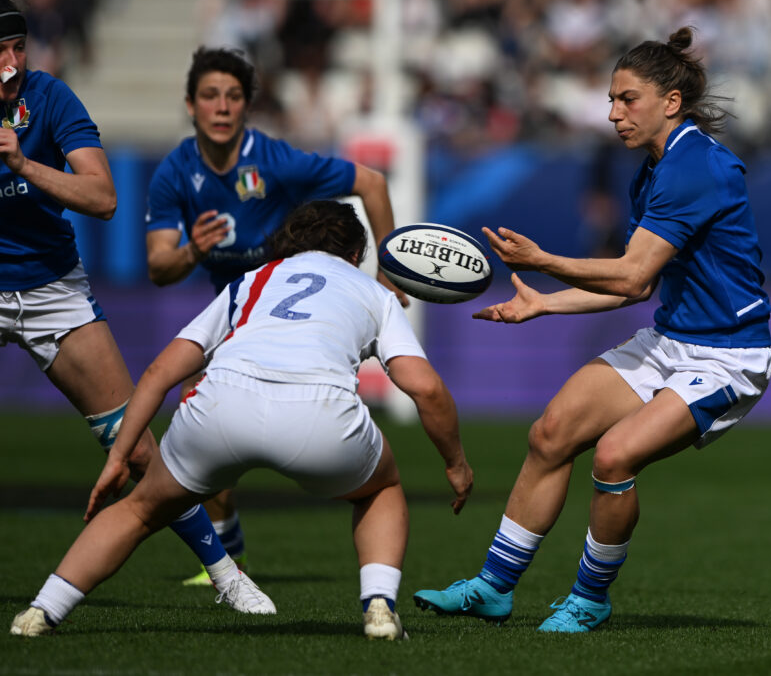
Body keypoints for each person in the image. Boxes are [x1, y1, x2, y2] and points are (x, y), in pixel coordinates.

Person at [413, 27, 771, 633]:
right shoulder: (654, 169)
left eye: (626, 99)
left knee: (613, 456)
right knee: (551, 432)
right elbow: (643, 285)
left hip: (727, 358)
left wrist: (546, 261)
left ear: (671, 102)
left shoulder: (695, 169)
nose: (612, 114)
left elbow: (632, 279)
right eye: (610, 100)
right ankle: (493, 588)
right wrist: (545, 304)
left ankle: (589, 598)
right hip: (670, 340)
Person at [10, 200, 473, 639]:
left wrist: (119, 457)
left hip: (222, 404)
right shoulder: (375, 292)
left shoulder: (252, 280)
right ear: (356, 254)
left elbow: (158, 375)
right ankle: (378, 605)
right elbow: (425, 388)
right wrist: (455, 463)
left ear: (287, 243)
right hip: (320, 417)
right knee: (381, 490)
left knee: (139, 509)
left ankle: (42, 610)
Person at [0, 0, 272, 615]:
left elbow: (102, 197)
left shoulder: (49, 98)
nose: (13, 63)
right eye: (1, 52)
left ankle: (227, 575)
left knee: (138, 446)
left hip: (49, 290)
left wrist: (22, 162)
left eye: (19, 47)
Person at [144, 46, 410, 586]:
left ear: (246, 106)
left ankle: (232, 548)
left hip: (288, 318)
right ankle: (229, 553)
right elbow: (159, 267)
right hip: (231, 312)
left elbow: (373, 183)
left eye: (234, 96)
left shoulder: (275, 161)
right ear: (190, 105)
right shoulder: (174, 172)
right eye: (210, 96)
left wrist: (389, 270)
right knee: (196, 418)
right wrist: (193, 251)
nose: (222, 107)